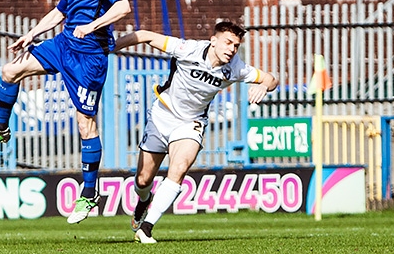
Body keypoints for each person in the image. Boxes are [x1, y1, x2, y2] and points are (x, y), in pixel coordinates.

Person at [0, 0, 131, 224]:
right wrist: (31, 34)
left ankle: (89, 193)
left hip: (89, 58)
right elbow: (59, 13)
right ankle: (0, 129)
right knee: (11, 70)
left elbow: (123, 7)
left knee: (85, 124)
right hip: (63, 45)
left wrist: (93, 26)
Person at [113, 21, 278, 244]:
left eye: (236, 45)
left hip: (190, 123)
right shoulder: (187, 49)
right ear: (213, 41)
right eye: (228, 42)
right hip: (162, 116)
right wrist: (111, 47)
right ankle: (144, 200)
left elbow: (271, 79)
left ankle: (146, 229)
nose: (231, 49)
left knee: (179, 168)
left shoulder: (235, 67)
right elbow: (144, 35)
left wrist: (263, 86)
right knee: (143, 180)